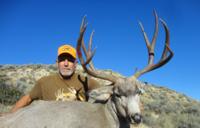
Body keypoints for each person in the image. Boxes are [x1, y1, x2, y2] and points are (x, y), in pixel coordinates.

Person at [10, 44, 100, 113]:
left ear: (75, 64)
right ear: (57, 63)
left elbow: (105, 92)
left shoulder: (86, 81)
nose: (66, 63)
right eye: (62, 59)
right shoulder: (44, 82)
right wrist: (9, 116)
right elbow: (28, 98)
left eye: (70, 60)